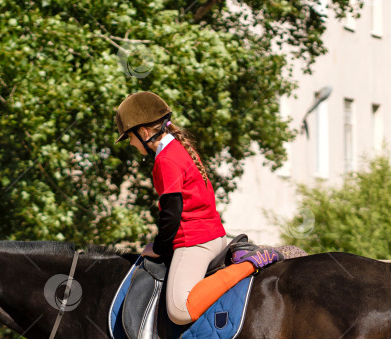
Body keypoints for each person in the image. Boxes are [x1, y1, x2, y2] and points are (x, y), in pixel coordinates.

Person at [115, 91, 284, 325]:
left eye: (130, 137)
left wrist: (161, 247)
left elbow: (171, 213)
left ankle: (248, 264)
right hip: (214, 236)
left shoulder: (166, 159)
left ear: (143, 132)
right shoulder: (179, 148)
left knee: (179, 310)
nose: (131, 143)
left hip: (194, 242)